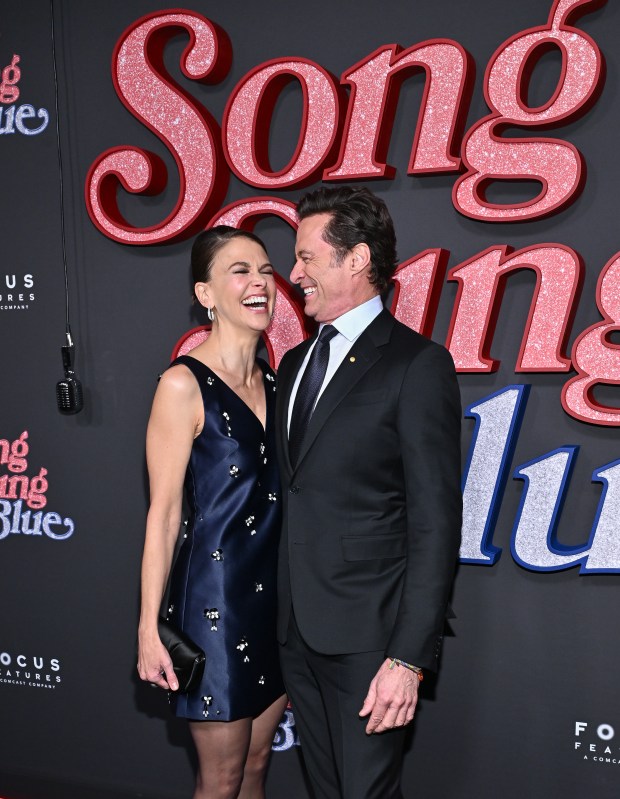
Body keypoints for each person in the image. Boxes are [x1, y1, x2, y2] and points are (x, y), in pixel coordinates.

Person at [275, 186, 462, 798]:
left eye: (306, 258)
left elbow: (435, 521)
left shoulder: (416, 364)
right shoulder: (294, 363)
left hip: (369, 640)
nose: (293, 274)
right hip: (295, 630)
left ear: (356, 259)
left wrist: (407, 658)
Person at [138, 226, 287, 799]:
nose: (260, 283)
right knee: (220, 779)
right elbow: (162, 515)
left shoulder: (276, 381)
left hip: (274, 602)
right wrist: (149, 627)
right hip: (214, 606)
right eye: (240, 271)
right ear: (205, 293)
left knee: (255, 768)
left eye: (266, 271)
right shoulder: (182, 385)